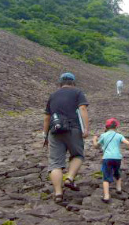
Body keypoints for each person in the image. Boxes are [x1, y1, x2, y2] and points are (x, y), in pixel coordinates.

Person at [43, 72, 89, 203]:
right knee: (78, 155)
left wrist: (45, 135)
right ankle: (69, 178)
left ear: (60, 83)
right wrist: (85, 128)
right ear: (73, 83)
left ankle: (58, 193)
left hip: (55, 130)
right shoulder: (77, 92)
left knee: (55, 164)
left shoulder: (53, 96)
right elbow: (83, 109)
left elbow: (47, 117)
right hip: (73, 128)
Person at [92, 118, 129, 203]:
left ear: (106, 126)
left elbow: (96, 146)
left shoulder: (103, 135)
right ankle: (118, 188)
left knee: (106, 177)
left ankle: (106, 196)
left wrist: (94, 139)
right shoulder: (119, 135)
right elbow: (128, 143)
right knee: (117, 172)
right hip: (117, 158)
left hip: (107, 158)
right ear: (116, 126)